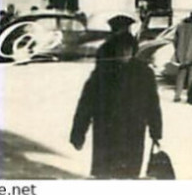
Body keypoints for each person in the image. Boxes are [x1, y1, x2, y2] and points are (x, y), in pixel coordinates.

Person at [70, 32, 164, 178]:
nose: (124, 53)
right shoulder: (102, 72)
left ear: (133, 50)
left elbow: (153, 104)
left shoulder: (144, 73)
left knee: (129, 174)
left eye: (127, 49)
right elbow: (86, 104)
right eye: (120, 49)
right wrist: (78, 133)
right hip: (106, 132)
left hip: (133, 132)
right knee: (104, 174)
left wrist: (156, 131)